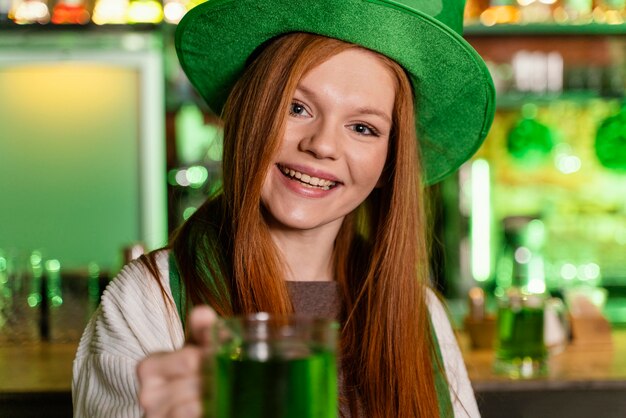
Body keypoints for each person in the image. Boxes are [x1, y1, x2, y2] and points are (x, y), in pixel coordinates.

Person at [72, 0, 495, 417]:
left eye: (363, 128)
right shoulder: (148, 297)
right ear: (249, 114)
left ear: (389, 162)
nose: (323, 145)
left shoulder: (421, 311)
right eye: (297, 107)